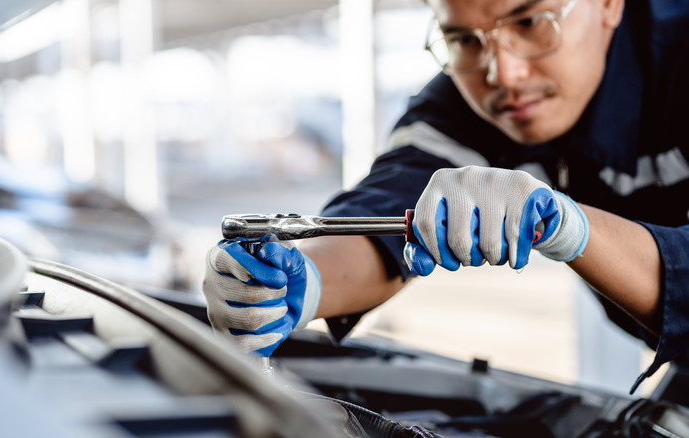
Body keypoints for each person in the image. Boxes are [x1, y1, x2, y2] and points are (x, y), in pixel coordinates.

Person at [203, 0, 689, 392]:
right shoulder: (465, 97)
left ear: (609, 4)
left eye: (530, 20)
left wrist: (573, 228)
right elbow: (389, 211)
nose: (503, 74)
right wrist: (300, 281)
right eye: (462, 39)